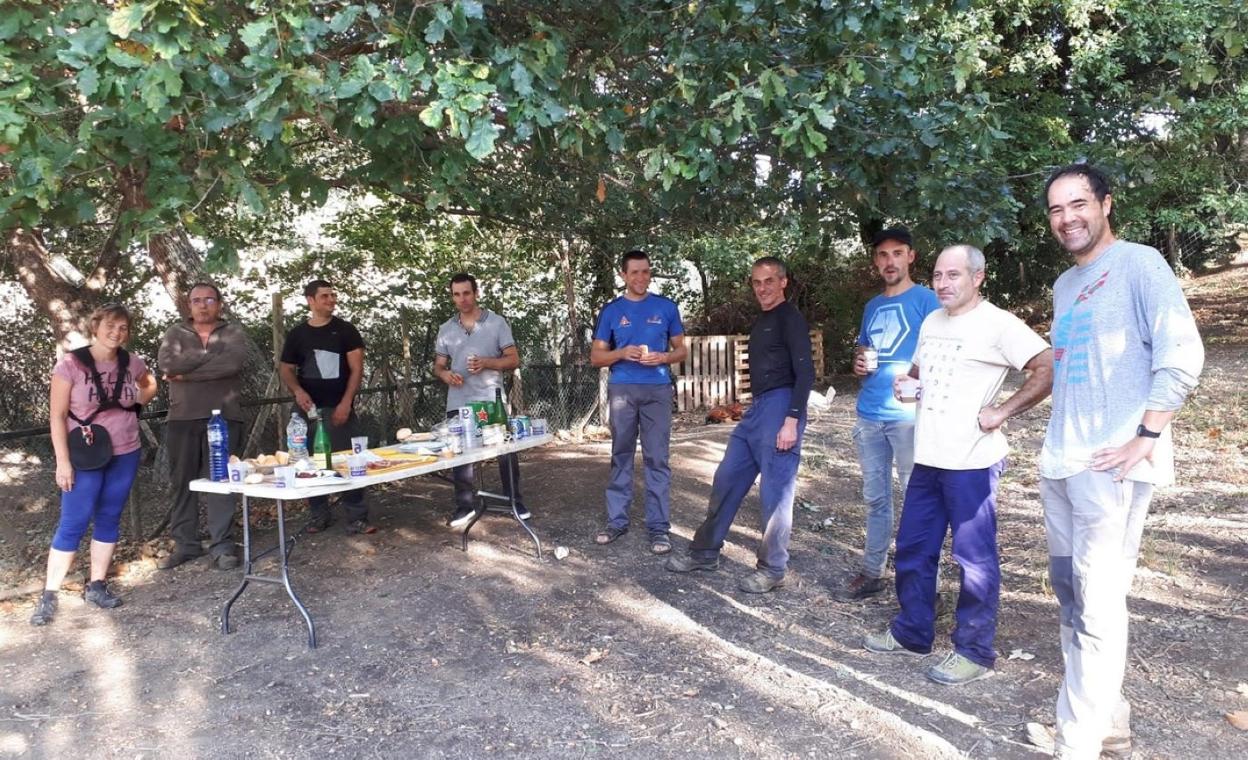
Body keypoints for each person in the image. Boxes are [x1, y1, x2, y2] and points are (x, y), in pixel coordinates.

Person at [1033, 164, 1204, 759]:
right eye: (1056, 209)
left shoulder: (1140, 264)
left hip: (1111, 466)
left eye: (1078, 203)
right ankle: (1108, 721)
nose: (1067, 218)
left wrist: (1146, 435)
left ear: (1105, 204)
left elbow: (1182, 353)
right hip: (1061, 464)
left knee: (1098, 604)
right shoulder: (1064, 285)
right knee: (1071, 594)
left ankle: (1076, 742)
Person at [863, 245, 1053, 686]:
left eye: (954, 275)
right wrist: (907, 384)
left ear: (978, 277)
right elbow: (917, 372)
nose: (943, 283)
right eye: (937, 275)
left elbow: (1046, 366)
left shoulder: (999, 324)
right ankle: (912, 632)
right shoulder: (932, 321)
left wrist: (1002, 411)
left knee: (973, 559)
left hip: (972, 463)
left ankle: (974, 651)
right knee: (913, 548)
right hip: (928, 457)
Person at [665, 257, 813, 593]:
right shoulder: (762, 321)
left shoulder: (790, 318)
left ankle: (772, 569)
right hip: (757, 409)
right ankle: (705, 552)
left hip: (781, 406)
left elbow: (805, 372)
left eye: (769, 281)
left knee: (776, 491)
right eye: (757, 282)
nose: (762, 288)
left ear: (783, 282)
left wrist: (791, 420)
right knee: (727, 477)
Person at [30, 304, 159, 626]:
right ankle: (49, 594)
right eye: (110, 326)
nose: (117, 332)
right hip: (85, 454)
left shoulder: (132, 362)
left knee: (109, 516)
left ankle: (97, 585)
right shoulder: (71, 364)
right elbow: (57, 416)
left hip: (125, 451)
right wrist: (63, 462)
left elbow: (149, 385)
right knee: (73, 520)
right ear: (96, 326)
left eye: (123, 327)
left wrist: (135, 405)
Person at [839, 227, 940, 600]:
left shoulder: (928, 300)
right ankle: (872, 571)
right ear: (875, 261)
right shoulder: (872, 306)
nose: (890, 261)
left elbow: (942, 353)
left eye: (897, 253)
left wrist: (917, 378)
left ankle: (922, 584)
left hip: (908, 417)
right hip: (869, 414)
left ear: (911, 257)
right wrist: (858, 363)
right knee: (875, 499)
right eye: (883, 255)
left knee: (918, 501)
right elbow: (863, 351)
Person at [590, 250, 687, 554]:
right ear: (623, 275)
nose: (641, 277)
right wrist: (621, 353)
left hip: (657, 389)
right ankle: (616, 521)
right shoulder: (611, 311)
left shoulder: (666, 307)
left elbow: (682, 350)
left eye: (645, 271)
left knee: (657, 458)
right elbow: (596, 357)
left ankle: (658, 528)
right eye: (634, 272)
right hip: (622, 390)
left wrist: (664, 357)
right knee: (621, 454)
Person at [156, 283, 249, 570]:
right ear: (189, 305)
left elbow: (231, 365)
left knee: (220, 482)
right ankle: (186, 545)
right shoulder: (175, 333)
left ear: (219, 304)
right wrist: (209, 356)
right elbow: (168, 365)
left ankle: (223, 546)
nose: (203, 305)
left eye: (209, 300)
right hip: (182, 418)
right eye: (197, 300)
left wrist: (186, 374)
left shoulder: (232, 332)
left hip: (224, 417)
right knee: (182, 483)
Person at [432, 273, 529, 528]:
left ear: (476, 293)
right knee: (460, 455)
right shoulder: (446, 329)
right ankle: (464, 506)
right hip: (458, 401)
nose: (462, 299)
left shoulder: (496, 322)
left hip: (490, 399)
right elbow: (438, 366)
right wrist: (445, 375)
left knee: (505, 451)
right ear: (452, 297)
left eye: (466, 293)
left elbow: (513, 359)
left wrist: (486, 362)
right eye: (456, 294)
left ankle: (514, 500)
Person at [279, 279, 373, 534]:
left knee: (348, 460)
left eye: (333, 295)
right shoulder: (297, 334)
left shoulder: (346, 330)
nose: (331, 300)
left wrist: (346, 403)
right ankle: (319, 515)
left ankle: (357, 516)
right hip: (307, 410)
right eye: (325, 296)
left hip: (338, 406)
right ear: (310, 300)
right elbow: (285, 368)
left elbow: (357, 369)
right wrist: (298, 391)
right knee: (308, 462)